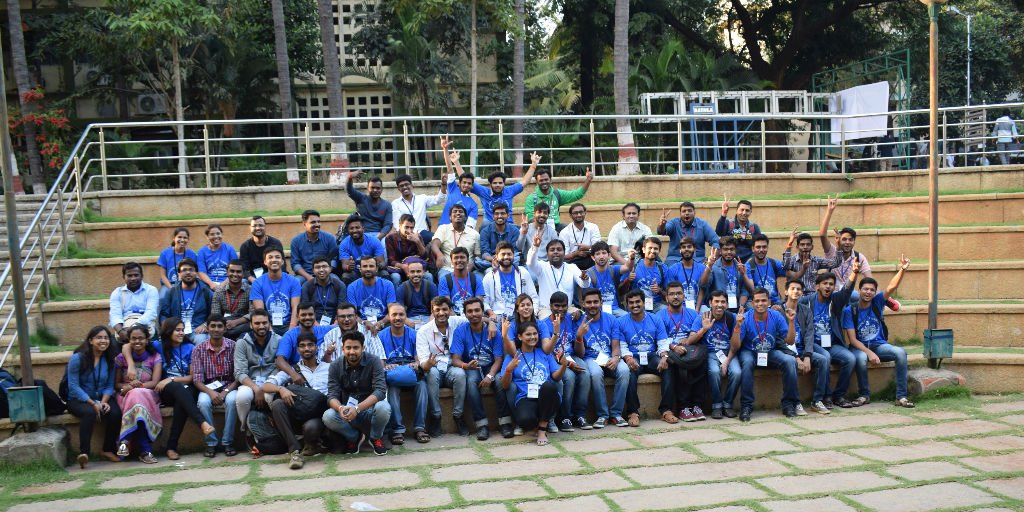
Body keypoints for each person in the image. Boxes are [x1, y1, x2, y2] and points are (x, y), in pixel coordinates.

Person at [842, 255, 915, 408]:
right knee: (861, 358)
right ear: (859, 290)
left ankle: (901, 397)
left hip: (879, 345)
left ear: (875, 293)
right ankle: (864, 395)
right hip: (859, 347)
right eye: (865, 289)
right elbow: (853, 340)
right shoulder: (850, 310)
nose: (868, 292)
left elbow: (891, 287)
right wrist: (869, 353)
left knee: (901, 353)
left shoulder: (878, 302)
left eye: (872, 290)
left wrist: (902, 269)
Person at [261, 332, 330, 468]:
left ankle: (313, 443)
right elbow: (266, 386)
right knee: (278, 404)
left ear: (316, 347)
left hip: (319, 415)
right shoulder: (292, 370)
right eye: (302, 346)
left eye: (310, 345)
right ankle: (295, 452)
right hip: (298, 413)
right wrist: (281, 389)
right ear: (298, 349)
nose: (307, 349)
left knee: (310, 428)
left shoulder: (329, 368)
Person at [152, 318, 215, 460]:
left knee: (182, 398)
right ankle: (202, 423)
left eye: (182, 330)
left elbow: (192, 377)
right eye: (177, 330)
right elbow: (129, 346)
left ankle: (171, 447)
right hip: (166, 391)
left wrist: (171, 379)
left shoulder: (190, 348)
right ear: (168, 332)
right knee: (178, 390)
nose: (181, 333)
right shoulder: (158, 346)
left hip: (185, 388)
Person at [449, 297, 511, 440]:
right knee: (471, 383)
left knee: (500, 381)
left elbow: (499, 359)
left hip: (491, 365)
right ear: (464, 314)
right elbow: (455, 359)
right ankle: (481, 425)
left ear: (483, 312)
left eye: (477, 310)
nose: (474, 314)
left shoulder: (492, 330)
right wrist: (465, 365)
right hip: (472, 367)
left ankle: (505, 423)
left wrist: (490, 376)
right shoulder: (460, 331)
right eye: (469, 311)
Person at [323, 330, 391, 458]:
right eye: (348, 348)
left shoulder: (374, 361)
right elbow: (332, 395)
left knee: (384, 407)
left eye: (356, 348)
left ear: (363, 348)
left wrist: (358, 408)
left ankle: (375, 437)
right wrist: (340, 408)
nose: (352, 351)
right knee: (328, 416)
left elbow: (380, 391)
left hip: (369, 410)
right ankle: (354, 437)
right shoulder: (335, 366)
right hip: (347, 413)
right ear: (343, 349)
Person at [500, 319, 569, 446]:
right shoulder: (512, 356)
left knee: (548, 386)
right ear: (520, 337)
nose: (533, 337)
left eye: (535, 334)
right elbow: (504, 385)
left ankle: (542, 429)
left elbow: (556, 377)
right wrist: (509, 370)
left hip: (547, 397)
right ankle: (539, 423)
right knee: (525, 420)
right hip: (526, 397)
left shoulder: (544, 353)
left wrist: (564, 366)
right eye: (528, 334)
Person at [734, 289, 799, 422]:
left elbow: (790, 341)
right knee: (746, 363)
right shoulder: (746, 318)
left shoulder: (776, 316)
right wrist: (737, 327)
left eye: (763, 300)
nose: (760, 304)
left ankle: (788, 404)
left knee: (790, 361)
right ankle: (746, 406)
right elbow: (735, 346)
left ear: (769, 302)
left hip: (770, 352)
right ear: (752, 303)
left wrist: (791, 321)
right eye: (757, 301)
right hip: (749, 351)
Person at [801, 269, 859, 409]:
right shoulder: (806, 301)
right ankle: (825, 396)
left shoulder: (836, 300)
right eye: (825, 283)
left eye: (831, 284)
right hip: (813, 343)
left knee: (850, 359)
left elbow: (846, 290)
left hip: (832, 344)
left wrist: (854, 273)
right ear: (817, 286)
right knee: (825, 357)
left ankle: (838, 396)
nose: (828, 286)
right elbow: (789, 304)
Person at [65, 326, 122, 468]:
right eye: (99, 337)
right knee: (89, 413)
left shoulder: (109, 360)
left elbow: (109, 385)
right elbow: (73, 386)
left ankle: (108, 449)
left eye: (106, 338)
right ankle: (84, 453)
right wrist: (92, 403)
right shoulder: (77, 358)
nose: (103, 341)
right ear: (90, 340)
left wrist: (103, 402)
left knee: (115, 413)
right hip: (78, 399)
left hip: (101, 398)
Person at [617, 290, 673, 428]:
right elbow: (622, 346)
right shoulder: (621, 322)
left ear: (643, 302)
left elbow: (662, 342)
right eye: (631, 303)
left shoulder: (655, 319)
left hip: (652, 355)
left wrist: (664, 357)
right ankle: (633, 412)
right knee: (629, 372)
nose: (635, 305)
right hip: (633, 356)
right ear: (626, 305)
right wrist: (628, 359)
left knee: (668, 368)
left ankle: (666, 410)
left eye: (638, 302)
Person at [577, 288, 629, 428]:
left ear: (601, 302)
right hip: (590, 358)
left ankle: (616, 414)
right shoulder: (578, 321)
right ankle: (602, 415)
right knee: (595, 373)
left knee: (624, 370)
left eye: (595, 301)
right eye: (589, 302)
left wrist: (616, 357)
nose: (592, 305)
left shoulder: (611, 319)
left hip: (609, 357)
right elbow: (580, 354)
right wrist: (580, 336)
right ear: (583, 304)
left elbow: (616, 344)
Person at [377, 303, 429, 445]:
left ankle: (420, 428)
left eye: (401, 314)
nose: (398, 318)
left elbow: (419, 358)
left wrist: (416, 363)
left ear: (406, 316)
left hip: (411, 373)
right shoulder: (381, 336)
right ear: (389, 316)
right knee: (392, 390)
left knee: (422, 386)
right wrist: (386, 365)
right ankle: (397, 430)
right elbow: (381, 362)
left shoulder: (414, 334)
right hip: (393, 375)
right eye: (394, 315)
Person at [416, 297, 468, 437]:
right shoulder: (423, 331)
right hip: (434, 369)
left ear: (450, 310)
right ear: (432, 311)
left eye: (444, 309)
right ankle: (436, 416)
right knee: (432, 373)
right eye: (437, 310)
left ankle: (458, 415)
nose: (441, 313)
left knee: (460, 374)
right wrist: (428, 364)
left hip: (451, 367)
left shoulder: (457, 321)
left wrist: (491, 323)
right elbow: (423, 364)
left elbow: (475, 318)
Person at [684, 291, 738, 419]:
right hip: (710, 353)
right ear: (710, 303)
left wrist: (726, 362)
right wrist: (704, 329)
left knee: (737, 373)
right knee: (714, 371)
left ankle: (728, 404)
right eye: (716, 301)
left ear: (727, 304)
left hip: (728, 353)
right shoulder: (703, 317)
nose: (719, 305)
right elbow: (689, 341)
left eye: (723, 302)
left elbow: (736, 346)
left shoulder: (732, 318)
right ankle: (717, 405)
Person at [780, 279, 831, 415]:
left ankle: (817, 401)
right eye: (792, 288)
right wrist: (796, 357)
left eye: (799, 289)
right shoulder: (778, 310)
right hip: (786, 351)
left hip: (803, 349)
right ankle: (796, 402)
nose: (796, 291)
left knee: (823, 360)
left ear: (802, 293)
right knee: (791, 363)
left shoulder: (805, 310)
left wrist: (807, 356)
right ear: (786, 291)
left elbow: (809, 334)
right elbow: (779, 339)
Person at [113, 325, 163, 464]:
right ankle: (145, 451)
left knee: (138, 396)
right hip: (125, 396)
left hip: (148, 394)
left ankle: (125, 440)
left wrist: (137, 386)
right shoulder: (121, 358)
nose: (137, 341)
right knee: (136, 400)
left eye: (141, 338)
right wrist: (128, 387)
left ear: (147, 340)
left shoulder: (155, 357)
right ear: (129, 340)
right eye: (133, 339)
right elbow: (116, 384)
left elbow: (154, 382)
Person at [191, 315, 239, 457]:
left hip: (229, 385)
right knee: (203, 402)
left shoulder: (233, 346)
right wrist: (211, 393)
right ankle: (211, 443)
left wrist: (225, 392)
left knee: (231, 401)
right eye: (213, 326)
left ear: (225, 328)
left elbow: (239, 375)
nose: (216, 329)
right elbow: (197, 379)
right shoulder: (198, 349)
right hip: (207, 386)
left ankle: (227, 442)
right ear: (207, 328)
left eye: (219, 326)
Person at [542, 293, 590, 432]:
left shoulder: (572, 320)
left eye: (564, 306)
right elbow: (548, 351)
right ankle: (565, 417)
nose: (560, 309)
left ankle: (580, 415)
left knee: (585, 373)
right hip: (554, 359)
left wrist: (580, 337)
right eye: (557, 306)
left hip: (571, 355)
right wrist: (567, 364)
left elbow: (580, 352)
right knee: (569, 377)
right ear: (550, 306)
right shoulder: (545, 323)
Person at [657, 281, 705, 422]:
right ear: (666, 298)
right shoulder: (659, 316)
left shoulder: (692, 314)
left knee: (702, 362)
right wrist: (673, 346)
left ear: (684, 296)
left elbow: (693, 335)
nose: (675, 297)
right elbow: (660, 339)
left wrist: (689, 340)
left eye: (678, 293)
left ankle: (697, 405)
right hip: (670, 351)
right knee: (681, 367)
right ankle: (683, 407)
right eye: (672, 294)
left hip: (689, 349)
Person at [233, 309, 282, 434]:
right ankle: (247, 429)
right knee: (242, 397)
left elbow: (280, 366)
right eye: (257, 323)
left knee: (270, 396)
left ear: (269, 323)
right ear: (250, 325)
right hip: (250, 382)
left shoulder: (279, 340)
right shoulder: (242, 342)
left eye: (265, 323)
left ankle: (277, 429)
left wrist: (268, 385)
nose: (261, 326)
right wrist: (256, 388)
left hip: (272, 379)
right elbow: (240, 372)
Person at [471, 150, 541, 229]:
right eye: (495, 183)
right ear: (490, 184)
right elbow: (467, 180)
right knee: (484, 225)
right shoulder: (484, 192)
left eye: (500, 183)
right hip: (490, 228)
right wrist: (456, 162)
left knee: (522, 231)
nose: (498, 185)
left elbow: (525, 181)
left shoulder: (509, 191)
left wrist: (534, 164)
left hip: (508, 226)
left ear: (504, 184)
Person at [527, 237, 589, 319]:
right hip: (546, 309)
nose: (556, 252)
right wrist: (535, 247)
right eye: (552, 250)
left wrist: (585, 279)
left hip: (567, 308)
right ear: (547, 253)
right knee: (550, 322)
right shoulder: (541, 266)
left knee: (583, 317)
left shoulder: (572, 267)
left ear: (564, 253)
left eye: (559, 249)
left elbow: (584, 284)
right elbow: (530, 263)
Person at [250, 247, 302, 336]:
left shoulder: (294, 281)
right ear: (265, 262)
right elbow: (260, 312)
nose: (274, 260)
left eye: (277, 257)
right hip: (267, 325)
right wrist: (271, 333)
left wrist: (290, 331)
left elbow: (295, 309)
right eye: (270, 257)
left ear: (282, 261)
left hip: (289, 324)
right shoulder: (257, 283)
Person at [159, 258, 213, 343]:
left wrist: (206, 324)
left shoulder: (206, 291)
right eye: (184, 270)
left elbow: (214, 312)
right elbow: (164, 314)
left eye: (191, 270)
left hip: (198, 331)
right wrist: (167, 328)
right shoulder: (171, 292)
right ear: (179, 274)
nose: (188, 272)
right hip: (176, 331)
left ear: (196, 273)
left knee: (202, 340)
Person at [523, 166, 593, 228]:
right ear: (537, 182)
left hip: (556, 226)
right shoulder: (531, 198)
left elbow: (577, 194)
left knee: (570, 230)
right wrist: (547, 230)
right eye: (541, 180)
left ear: (550, 180)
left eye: (546, 179)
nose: (544, 182)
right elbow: (530, 218)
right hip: (539, 226)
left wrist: (588, 180)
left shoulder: (557, 194)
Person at [482, 241, 538, 320]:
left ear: (513, 256)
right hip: (498, 314)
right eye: (503, 254)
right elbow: (484, 301)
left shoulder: (523, 272)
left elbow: (533, 296)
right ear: (496, 257)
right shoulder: (489, 277)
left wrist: (533, 314)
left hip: (521, 313)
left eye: (509, 254)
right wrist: (491, 313)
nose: (506, 257)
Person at [274, 302, 337, 371]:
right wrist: (294, 375)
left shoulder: (324, 330)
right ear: (297, 317)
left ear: (315, 316)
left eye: (310, 314)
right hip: (298, 372)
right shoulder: (289, 335)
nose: (307, 317)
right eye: (303, 315)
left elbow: (343, 327)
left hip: (321, 372)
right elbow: (280, 360)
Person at [109, 262, 159, 344]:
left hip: (145, 327)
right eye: (129, 275)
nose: (133, 278)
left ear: (142, 276)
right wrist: (121, 332)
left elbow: (151, 313)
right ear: (123, 277)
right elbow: (115, 315)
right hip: (124, 329)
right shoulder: (117, 293)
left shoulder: (151, 290)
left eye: (136, 275)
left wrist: (132, 330)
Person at [701, 237, 754, 313]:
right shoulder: (714, 266)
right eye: (725, 249)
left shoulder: (742, 267)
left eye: (731, 249)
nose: (729, 252)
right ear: (721, 251)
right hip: (719, 306)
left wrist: (743, 274)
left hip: (737, 306)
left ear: (735, 250)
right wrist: (709, 266)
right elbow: (703, 285)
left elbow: (747, 291)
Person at [391, 173, 446, 244]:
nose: (404, 187)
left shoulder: (422, 198)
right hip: (405, 234)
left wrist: (444, 185)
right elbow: (396, 223)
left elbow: (439, 199)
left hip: (422, 233)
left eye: (407, 184)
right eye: (401, 186)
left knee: (438, 240)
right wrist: (408, 234)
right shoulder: (395, 203)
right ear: (398, 189)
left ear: (412, 185)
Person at [782, 230, 841, 295]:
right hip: (796, 295)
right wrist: (789, 245)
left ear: (812, 247)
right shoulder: (792, 260)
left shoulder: (816, 260)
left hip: (812, 295)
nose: (805, 247)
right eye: (802, 245)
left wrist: (839, 245)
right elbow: (785, 266)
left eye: (808, 244)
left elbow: (835, 263)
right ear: (797, 247)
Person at [620, 236, 669, 314]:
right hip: (637, 304)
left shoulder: (663, 268)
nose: (652, 251)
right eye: (650, 248)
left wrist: (659, 291)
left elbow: (669, 295)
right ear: (643, 249)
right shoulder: (633, 266)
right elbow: (620, 292)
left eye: (656, 249)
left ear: (659, 251)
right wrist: (628, 280)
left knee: (667, 312)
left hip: (656, 305)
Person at [338, 215, 391, 285]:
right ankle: (350, 295)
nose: (354, 230)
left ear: (363, 228)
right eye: (351, 228)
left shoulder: (374, 241)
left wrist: (377, 264)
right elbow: (344, 266)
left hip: (372, 272)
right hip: (355, 273)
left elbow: (383, 263)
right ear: (348, 230)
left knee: (384, 274)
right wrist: (349, 267)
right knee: (346, 276)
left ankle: (384, 295)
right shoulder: (344, 244)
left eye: (357, 227)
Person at [346, 255, 397, 327]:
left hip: (384, 323)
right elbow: (352, 314)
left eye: (371, 266)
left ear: (376, 268)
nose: (368, 269)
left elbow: (392, 311)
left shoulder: (388, 285)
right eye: (365, 266)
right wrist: (363, 323)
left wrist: (381, 323)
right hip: (361, 324)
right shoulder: (352, 287)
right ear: (360, 269)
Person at [586, 241, 633, 318]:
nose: (601, 256)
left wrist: (631, 258)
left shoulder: (613, 269)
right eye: (598, 254)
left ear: (609, 255)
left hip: (615, 310)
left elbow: (627, 267)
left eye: (604, 253)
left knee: (629, 318)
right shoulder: (590, 274)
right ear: (593, 257)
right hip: (598, 312)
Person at [438, 145, 481, 229]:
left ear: (472, 186)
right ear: (459, 183)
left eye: (469, 183)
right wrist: (445, 149)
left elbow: (470, 226)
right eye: (464, 182)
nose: (466, 185)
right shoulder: (453, 188)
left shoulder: (473, 205)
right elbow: (450, 168)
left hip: (460, 235)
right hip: (443, 229)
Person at [431, 204, 481, 277]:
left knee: (479, 278)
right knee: (443, 278)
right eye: (455, 211)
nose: (458, 213)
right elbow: (434, 244)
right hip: (447, 269)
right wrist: (439, 254)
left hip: (468, 269)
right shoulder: (443, 229)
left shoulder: (474, 234)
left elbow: (478, 255)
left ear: (465, 217)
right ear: (450, 217)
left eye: (460, 211)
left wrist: (472, 265)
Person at [290, 209, 338, 282]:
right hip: (305, 275)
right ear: (304, 224)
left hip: (326, 273)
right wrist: (308, 277)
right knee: (296, 282)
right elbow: (295, 264)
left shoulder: (330, 238)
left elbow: (333, 260)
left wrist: (325, 273)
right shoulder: (296, 241)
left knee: (336, 280)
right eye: (313, 222)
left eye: (318, 222)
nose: (317, 224)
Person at [345, 171, 393, 240]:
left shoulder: (387, 205)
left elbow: (388, 225)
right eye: (372, 188)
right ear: (368, 188)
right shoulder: (361, 198)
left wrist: (378, 237)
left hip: (379, 235)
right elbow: (349, 190)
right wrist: (350, 177)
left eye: (378, 188)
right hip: (361, 234)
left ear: (382, 189)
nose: (375, 190)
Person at [385, 214, 433, 284]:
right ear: (400, 226)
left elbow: (424, 257)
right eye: (406, 227)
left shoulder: (417, 236)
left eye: (411, 228)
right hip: (398, 268)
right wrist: (403, 266)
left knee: (429, 276)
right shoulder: (391, 237)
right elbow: (391, 260)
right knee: (396, 277)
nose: (409, 230)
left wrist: (418, 242)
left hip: (415, 268)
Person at [210, 259, 251, 340]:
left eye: (238, 272)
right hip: (226, 324)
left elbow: (253, 313)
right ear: (227, 272)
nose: (235, 274)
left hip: (244, 324)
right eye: (232, 271)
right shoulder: (219, 292)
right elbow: (215, 315)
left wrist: (235, 322)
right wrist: (225, 324)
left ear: (243, 274)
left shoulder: (250, 290)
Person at [437, 247, 484, 317]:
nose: (459, 260)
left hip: (472, 316)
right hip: (452, 318)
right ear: (451, 261)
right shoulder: (445, 280)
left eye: (462, 257)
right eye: (456, 258)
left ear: (468, 260)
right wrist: (457, 320)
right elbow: (446, 306)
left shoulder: (476, 279)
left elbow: (478, 304)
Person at [300, 256, 346, 325]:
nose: (321, 270)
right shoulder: (307, 286)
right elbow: (305, 311)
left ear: (330, 269)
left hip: (336, 323)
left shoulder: (339, 285)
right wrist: (317, 326)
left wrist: (334, 325)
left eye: (324, 266)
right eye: (317, 267)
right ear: (313, 270)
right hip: (313, 323)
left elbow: (342, 309)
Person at [238, 216, 286, 282]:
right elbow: (243, 269)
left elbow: (282, 265)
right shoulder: (245, 246)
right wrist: (252, 280)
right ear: (250, 228)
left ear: (265, 227)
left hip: (272, 275)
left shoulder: (275, 243)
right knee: (243, 282)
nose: (257, 228)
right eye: (254, 226)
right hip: (252, 278)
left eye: (260, 225)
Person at [476, 203, 521, 273]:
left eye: (503, 213)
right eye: (497, 214)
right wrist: (493, 259)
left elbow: (514, 250)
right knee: (488, 270)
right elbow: (485, 252)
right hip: (491, 261)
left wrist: (503, 258)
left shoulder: (514, 231)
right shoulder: (485, 231)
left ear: (508, 216)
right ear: (493, 216)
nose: (499, 216)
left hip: (509, 259)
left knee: (517, 258)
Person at [156, 227, 198, 299]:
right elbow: (163, 276)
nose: (182, 240)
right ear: (174, 238)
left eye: (185, 238)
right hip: (168, 284)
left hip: (187, 284)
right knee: (162, 297)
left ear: (188, 240)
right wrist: (172, 289)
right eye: (179, 237)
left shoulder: (192, 254)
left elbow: (196, 273)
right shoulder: (165, 253)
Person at [666, 237, 706, 311]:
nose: (686, 249)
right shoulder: (673, 269)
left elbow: (702, 290)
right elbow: (670, 292)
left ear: (694, 249)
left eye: (689, 247)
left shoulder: (702, 268)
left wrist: (697, 309)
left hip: (699, 306)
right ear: (680, 250)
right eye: (684, 247)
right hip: (679, 307)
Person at [716, 197, 761, 262]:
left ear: (751, 212)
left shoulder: (754, 227)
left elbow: (759, 245)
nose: (744, 213)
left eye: (747, 210)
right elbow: (718, 232)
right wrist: (724, 214)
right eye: (742, 210)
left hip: (749, 262)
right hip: (729, 260)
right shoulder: (728, 224)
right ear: (737, 210)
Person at [560, 203, 601, 270]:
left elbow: (599, 248)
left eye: (581, 212)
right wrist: (575, 254)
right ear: (570, 215)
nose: (579, 215)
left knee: (600, 257)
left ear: (585, 213)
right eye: (575, 213)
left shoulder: (593, 227)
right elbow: (564, 255)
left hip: (591, 258)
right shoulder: (564, 232)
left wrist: (588, 247)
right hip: (572, 261)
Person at [746, 234, 785, 306]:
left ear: (767, 248)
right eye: (758, 247)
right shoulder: (748, 266)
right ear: (753, 249)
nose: (761, 250)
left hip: (774, 301)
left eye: (764, 247)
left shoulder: (774, 263)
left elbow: (789, 272)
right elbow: (751, 289)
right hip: (757, 301)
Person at [396, 259, 436, 326]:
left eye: (418, 271)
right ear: (408, 274)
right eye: (412, 272)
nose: (416, 274)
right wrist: (410, 323)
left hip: (428, 318)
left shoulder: (430, 286)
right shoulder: (402, 288)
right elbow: (399, 311)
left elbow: (436, 308)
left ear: (423, 272)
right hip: (409, 318)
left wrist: (430, 323)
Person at [197, 224, 238, 289]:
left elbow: (235, 269)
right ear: (207, 237)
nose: (216, 236)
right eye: (212, 234)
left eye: (218, 233)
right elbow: (201, 272)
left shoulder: (229, 249)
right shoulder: (202, 252)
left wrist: (223, 284)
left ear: (222, 235)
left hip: (228, 282)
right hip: (208, 284)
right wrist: (211, 284)